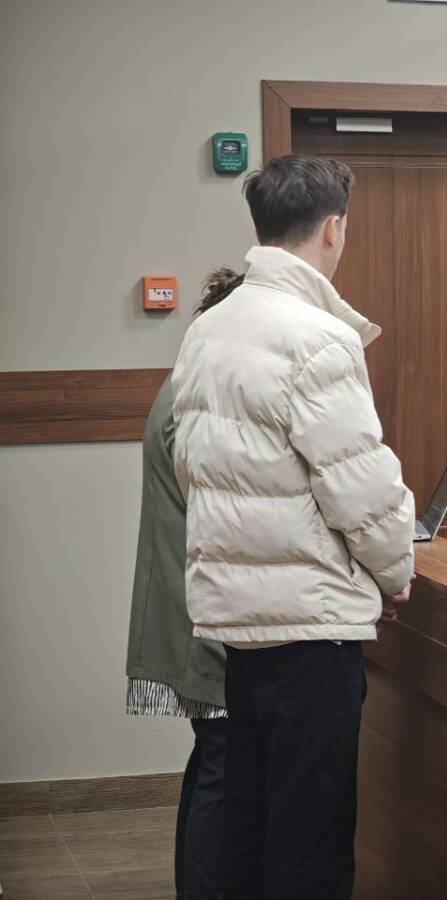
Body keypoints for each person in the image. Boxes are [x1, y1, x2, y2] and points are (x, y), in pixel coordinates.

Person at [171, 155, 416, 899]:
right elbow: (359, 486)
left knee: (249, 826)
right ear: (333, 228)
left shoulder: (210, 329)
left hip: (239, 626)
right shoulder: (317, 336)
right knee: (311, 840)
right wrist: (394, 572)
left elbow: (191, 465)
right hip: (312, 630)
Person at [125, 268, 243, 900]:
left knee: (211, 762)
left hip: (188, 606)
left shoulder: (184, 383)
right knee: (222, 767)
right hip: (202, 616)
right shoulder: (198, 397)